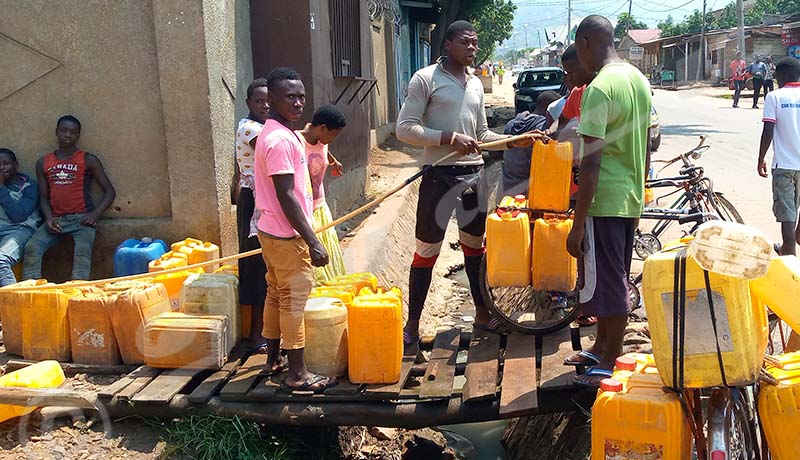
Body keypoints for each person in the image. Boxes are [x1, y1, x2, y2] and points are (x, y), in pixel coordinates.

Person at [396, 20, 533, 349]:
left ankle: (483, 312)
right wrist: (447, 138)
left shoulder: (474, 83)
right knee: (426, 252)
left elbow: (482, 135)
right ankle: (412, 324)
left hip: (473, 174)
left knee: (475, 248)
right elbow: (404, 128)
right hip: (438, 176)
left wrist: (516, 141)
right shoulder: (426, 79)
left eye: (475, 43)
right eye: (465, 43)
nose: (472, 48)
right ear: (447, 45)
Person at [564, 15, 651, 387]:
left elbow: (592, 159)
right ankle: (600, 345)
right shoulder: (638, 79)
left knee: (608, 281)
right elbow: (649, 140)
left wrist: (578, 222)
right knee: (610, 275)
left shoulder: (600, 88)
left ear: (585, 43)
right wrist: (641, 184)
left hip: (605, 200)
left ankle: (611, 357)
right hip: (629, 195)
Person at [253, 67, 336, 391]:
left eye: (301, 96)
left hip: (271, 229)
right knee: (294, 300)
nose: (298, 103)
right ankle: (298, 374)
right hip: (286, 234)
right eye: (290, 97)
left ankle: (273, 359)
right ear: (271, 99)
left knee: (276, 293)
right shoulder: (278, 140)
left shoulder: (280, 133)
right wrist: (312, 240)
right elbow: (285, 194)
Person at [22, 115, 116, 281]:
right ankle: (32, 289)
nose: (68, 135)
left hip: (82, 220)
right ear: (56, 132)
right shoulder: (43, 162)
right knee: (32, 248)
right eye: (63, 130)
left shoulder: (88, 159)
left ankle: (77, 292)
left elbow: (109, 191)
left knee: (82, 255)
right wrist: (49, 218)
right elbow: (43, 197)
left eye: (73, 132)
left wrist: (94, 215)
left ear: (78, 135)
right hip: (56, 220)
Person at [232, 78, 270, 353]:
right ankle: (255, 335)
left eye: (269, 100)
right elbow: (272, 150)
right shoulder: (249, 128)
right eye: (259, 101)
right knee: (256, 265)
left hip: (263, 199)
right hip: (253, 200)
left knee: (267, 265)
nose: (265, 105)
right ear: (248, 103)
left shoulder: (267, 128)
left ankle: (263, 330)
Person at [297, 105, 347, 284]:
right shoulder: (296, 142)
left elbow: (322, 148)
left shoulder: (321, 140)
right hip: (304, 212)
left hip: (320, 207)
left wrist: (333, 162)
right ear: (322, 128)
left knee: (329, 258)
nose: (333, 140)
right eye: (333, 134)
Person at [757, 57, 800, 256]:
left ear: (780, 76)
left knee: (787, 216)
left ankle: (789, 259)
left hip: (784, 166)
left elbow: (768, 130)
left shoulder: (774, 97)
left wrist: (760, 159)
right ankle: (793, 242)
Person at [500, 91, 561, 196]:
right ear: (549, 110)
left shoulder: (511, 124)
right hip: (530, 190)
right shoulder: (544, 129)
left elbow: (497, 153)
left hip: (507, 186)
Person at [0, 149, 40, 286]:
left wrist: (0, 187)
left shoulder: (29, 185)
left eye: (6, 164)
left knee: (1, 260)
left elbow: (18, 215)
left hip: (19, 229)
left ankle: (13, 304)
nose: (1, 167)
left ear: (15, 165)